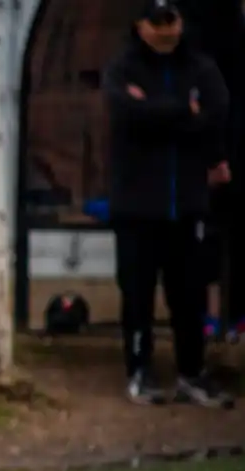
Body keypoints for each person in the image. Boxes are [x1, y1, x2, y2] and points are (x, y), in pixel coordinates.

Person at [103, 0, 234, 407]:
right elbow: (127, 114)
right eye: (156, 22)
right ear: (140, 26)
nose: (165, 30)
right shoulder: (123, 68)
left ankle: (192, 372)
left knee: (190, 295)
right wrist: (182, 112)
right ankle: (139, 370)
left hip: (187, 205)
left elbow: (215, 114)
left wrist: (157, 112)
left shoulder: (201, 69)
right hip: (136, 207)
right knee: (137, 294)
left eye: (171, 20)